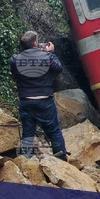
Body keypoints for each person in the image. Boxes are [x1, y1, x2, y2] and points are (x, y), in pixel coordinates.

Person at [8, 31, 67, 161]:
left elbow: (16, 70)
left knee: (28, 133)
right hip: (45, 101)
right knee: (54, 131)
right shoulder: (48, 57)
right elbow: (58, 69)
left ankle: (26, 161)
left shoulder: (15, 60)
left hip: (26, 101)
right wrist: (50, 52)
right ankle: (62, 160)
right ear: (35, 43)